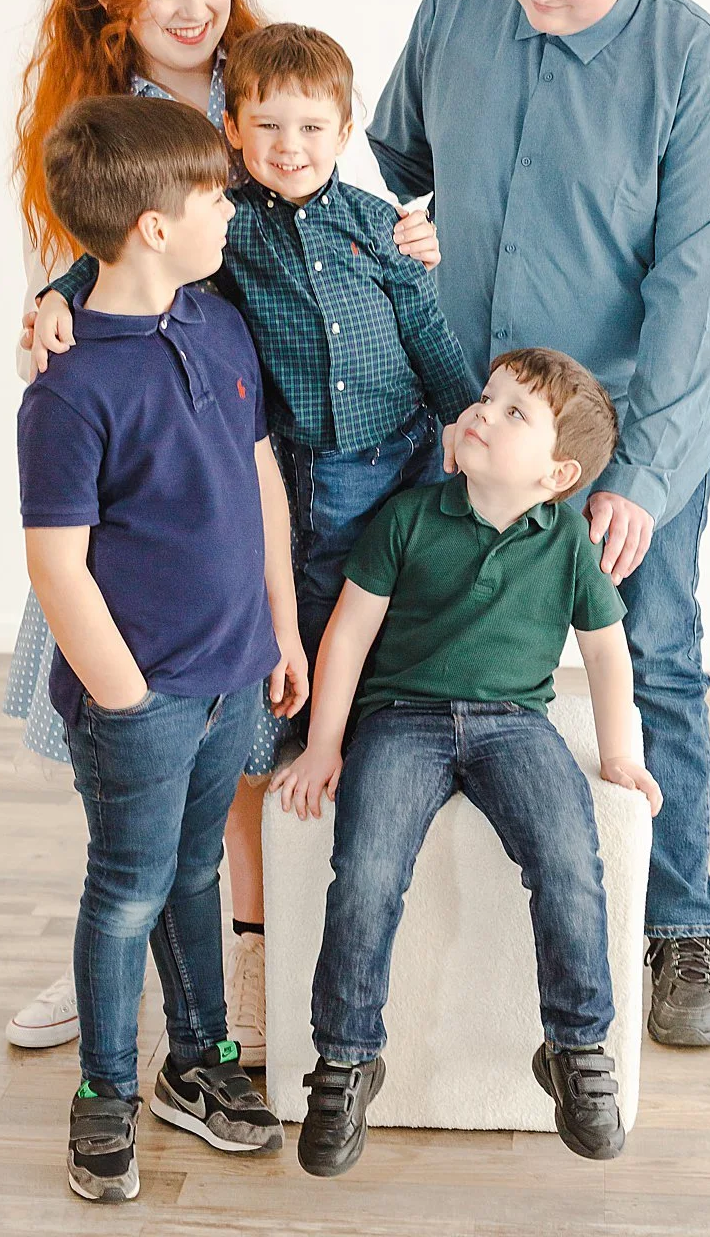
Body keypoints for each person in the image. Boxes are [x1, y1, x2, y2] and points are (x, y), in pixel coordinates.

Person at [3, 0, 441, 1065]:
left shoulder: (266, 89)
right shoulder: (108, 114)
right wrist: (52, 301)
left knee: (238, 730)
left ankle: (231, 955)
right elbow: (99, 248)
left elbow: (338, 192)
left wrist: (405, 232)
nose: (194, 6)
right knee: (127, 730)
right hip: (151, 450)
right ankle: (127, 937)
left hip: (268, 441)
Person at [367, 0, 710, 1047]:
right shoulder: (456, 2)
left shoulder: (698, 75)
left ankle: (683, 922)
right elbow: (395, 159)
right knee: (416, 641)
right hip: (465, 416)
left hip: (619, 437)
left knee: (651, 652)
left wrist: (631, 476)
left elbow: (689, 304)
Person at [273, 348, 662, 1176]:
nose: (483, 413)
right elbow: (346, 637)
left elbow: (604, 653)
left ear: (557, 475)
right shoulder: (409, 518)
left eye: (515, 413)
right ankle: (345, 1059)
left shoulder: (566, 546)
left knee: (568, 858)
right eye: (488, 398)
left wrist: (621, 754)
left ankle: (577, 1046)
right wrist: (323, 745)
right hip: (400, 720)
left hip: (513, 724)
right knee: (369, 868)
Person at [20, 94, 305, 1203]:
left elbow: (259, 480)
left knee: (193, 871)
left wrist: (278, 625)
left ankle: (197, 1061)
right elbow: (55, 564)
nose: (228, 207)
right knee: (125, 889)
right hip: (139, 699)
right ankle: (102, 1092)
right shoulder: (70, 387)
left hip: (236, 672)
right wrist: (126, 696)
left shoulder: (214, 321)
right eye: (209, 193)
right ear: (149, 224)